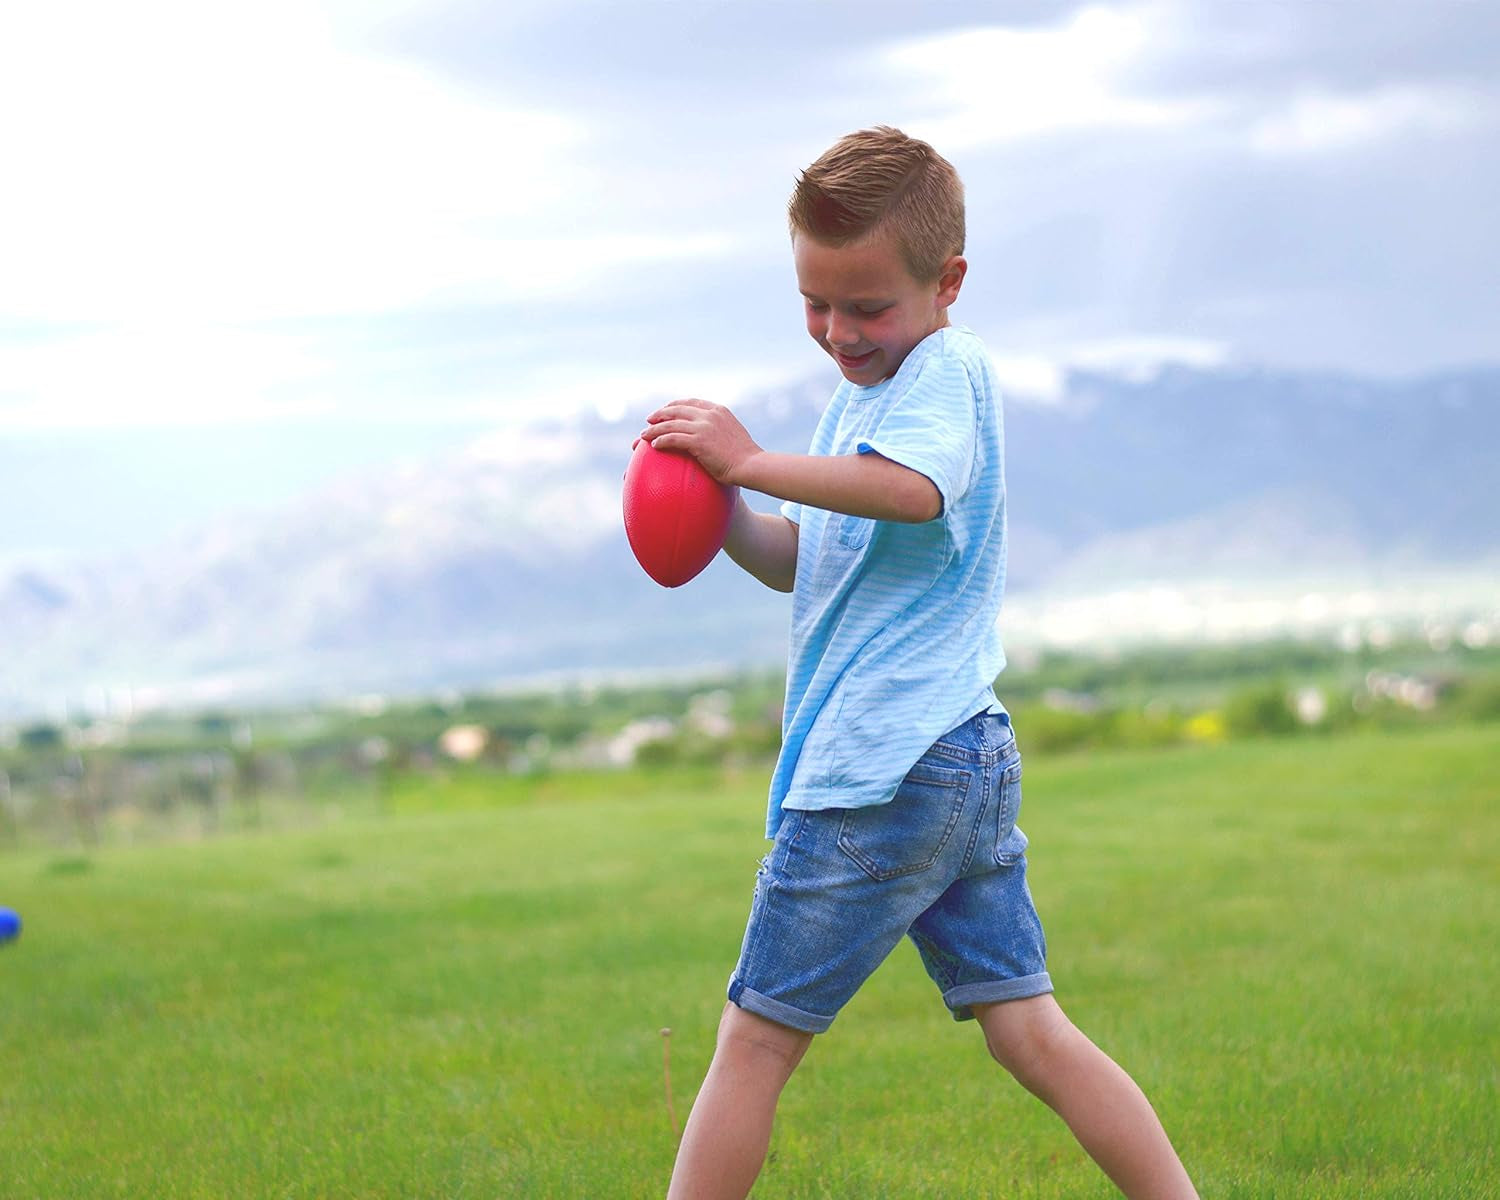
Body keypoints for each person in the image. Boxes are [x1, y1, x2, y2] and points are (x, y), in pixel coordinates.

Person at [641, 126, 1198, 1200]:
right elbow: (813, 561)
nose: (839, 331)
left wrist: (751, 458)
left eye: (867, 306)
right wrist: (724, 508)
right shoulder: (863, 399)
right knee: (1029, 1029)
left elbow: (912, 491)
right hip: (956, 763)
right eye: (816, 303)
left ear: (947, 284)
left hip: (882, 770)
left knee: (753, 1045)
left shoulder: (945, 370)